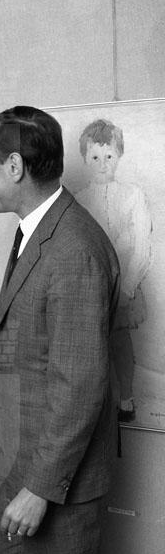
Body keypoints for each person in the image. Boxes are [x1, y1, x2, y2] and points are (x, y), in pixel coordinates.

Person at [0, 106, 120, 554]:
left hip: (54, 487)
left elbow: (80, 384)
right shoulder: (39, 231)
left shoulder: (74, 249)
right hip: (24, 466)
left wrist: (39, 489)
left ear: (15, 166)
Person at [76, 119, 152, 422]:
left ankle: (126, 400)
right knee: (92, 345)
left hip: (124, 284)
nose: (103, 164)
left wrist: (127, 288)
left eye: (109, 156)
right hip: (91, 285)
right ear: (85, 159)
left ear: (119, 155)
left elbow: (142, 245)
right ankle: (96, 403)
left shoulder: (132, 195)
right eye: (95, 157)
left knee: (120, 341)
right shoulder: (79, 201)